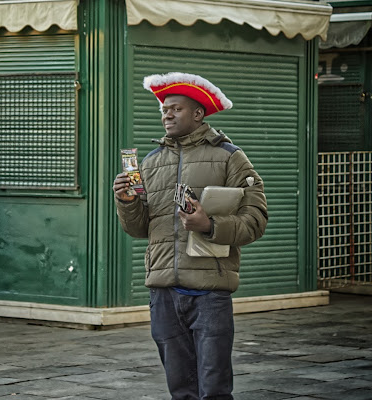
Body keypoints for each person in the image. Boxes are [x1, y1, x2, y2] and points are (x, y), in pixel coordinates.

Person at [112, 72, 268, 400]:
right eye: (163, 109)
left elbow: (255, 220)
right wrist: (126, 203)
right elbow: (140, 228)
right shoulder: (149, 163)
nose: (166, 114)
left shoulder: (230, 157)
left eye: (175, 108)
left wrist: (209, 224)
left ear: (198, 113)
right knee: (180, 389)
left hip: (210, 293)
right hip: (163, 293)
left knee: (213, 388)